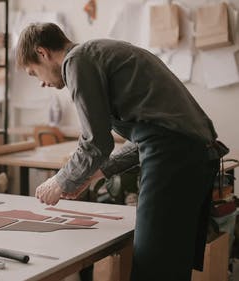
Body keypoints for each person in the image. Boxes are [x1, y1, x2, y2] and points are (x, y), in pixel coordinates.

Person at [15, 22, 229, 281]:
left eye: (33, 72)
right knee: (170, 264)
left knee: (154, 268)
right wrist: (96, 173)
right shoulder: (97, 53)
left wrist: (60, 181)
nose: (41, 83)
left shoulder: (76, 62)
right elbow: (149, 135)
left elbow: (96, 142)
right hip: (192, 154)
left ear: (42, 53)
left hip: (174, 158)